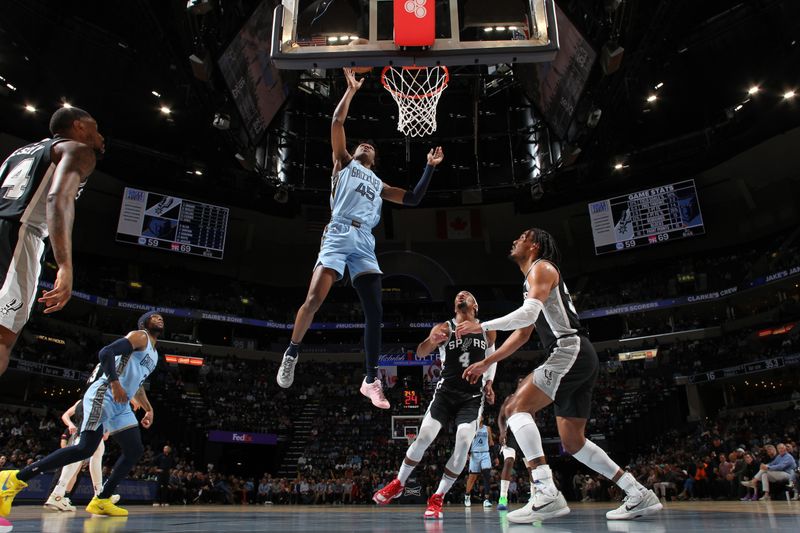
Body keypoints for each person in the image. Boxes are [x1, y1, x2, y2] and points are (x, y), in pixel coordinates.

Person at [459, 228, 662, 523]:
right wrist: (486, 362)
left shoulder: (542, 268)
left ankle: (545, 491)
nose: (514, 239)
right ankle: (637, 492)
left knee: (515, 407)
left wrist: (482, 325)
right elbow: (523, 333)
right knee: (573, 442)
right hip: (577, 355)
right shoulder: (530, 281)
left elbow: (527, 316)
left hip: (570, 349)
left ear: (535, 245)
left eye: (522, 236)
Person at [276, 68, 444, 409]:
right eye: (361, 144)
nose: (364, 144)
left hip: (365, 242)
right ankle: (292, 351)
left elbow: (412, 199)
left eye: (369, 146)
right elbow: (337, 124)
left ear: (374, 158)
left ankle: (370, 380)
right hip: (339, 231)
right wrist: (350, 91)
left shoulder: (380, 184)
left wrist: (429, 167)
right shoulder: (343, 163)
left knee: (375, 312)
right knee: (314, 299)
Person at [0, 311, 162, 518]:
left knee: (134, 450)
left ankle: (102, 499)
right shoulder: (140, 336)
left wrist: (149, 409)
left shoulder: (154, 355)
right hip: (105, 394)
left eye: (161, 317)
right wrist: (114, 383)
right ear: (144, 323)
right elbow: (106, 352)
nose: (159, 318)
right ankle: (15, 478)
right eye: (154, 316)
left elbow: (137, 386)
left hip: (121, 405)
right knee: (85, 449)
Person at [372, 291, 496, 519]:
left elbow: (492, 357)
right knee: (424, 436)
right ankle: (399, 482)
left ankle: (437, 497)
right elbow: (420, 352)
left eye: (467, 295)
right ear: (455, 306)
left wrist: (489, 382)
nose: (461, 295)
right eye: (458, 295)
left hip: (471, 397)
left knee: (463, 442)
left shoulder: (487, 329)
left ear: (475, 305)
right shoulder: (444, 328)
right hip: (446, 393)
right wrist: (431, 341)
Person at [0, 107, 104, 376]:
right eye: (96, 127)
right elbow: (58, 199)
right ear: (78, 125)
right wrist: (65, 265)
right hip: (18, 234)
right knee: (2, 338)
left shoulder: (19, 153)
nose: (101, 135)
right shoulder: (77, 150)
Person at [44, 398, 114, 512]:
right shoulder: (92, 400)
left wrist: (107, 430)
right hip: (85, 430)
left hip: (87, 430)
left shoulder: (90, 399)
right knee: (76, 463)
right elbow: (66, 416)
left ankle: (63, 495)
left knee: (94, 455)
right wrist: (71, 425)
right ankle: (98, 495)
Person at [465, 416, 494, 508]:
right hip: (474, 454)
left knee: (487, 475)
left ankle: (486, 499)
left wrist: (496, 457)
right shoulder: (472, 428)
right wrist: (466, 452)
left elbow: (491, 442)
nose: (480, 416)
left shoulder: (487, 428)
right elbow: (467, 441)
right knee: (472, 478)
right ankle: (467, 495)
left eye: (481, 415)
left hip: (485, 453)